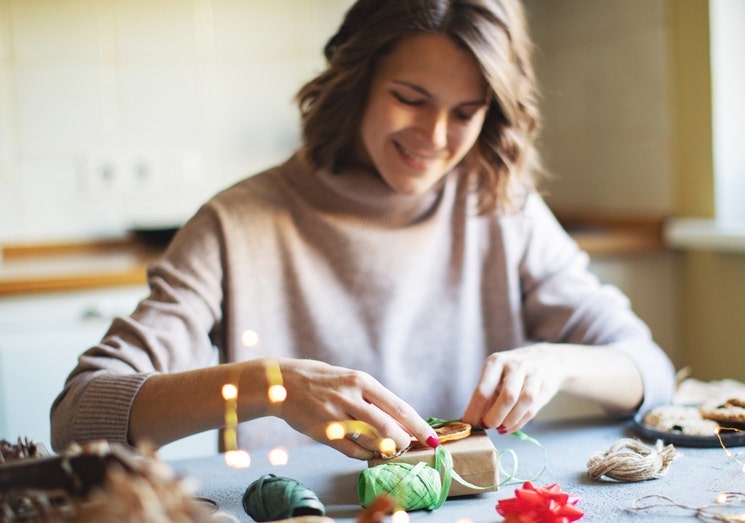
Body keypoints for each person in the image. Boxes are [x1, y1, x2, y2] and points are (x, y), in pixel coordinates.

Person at [51, 0, 675, 460]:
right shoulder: (235, 224)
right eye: (410, 97)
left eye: (465, 113)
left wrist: (557, 362)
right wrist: (272, 386)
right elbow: (77, 416)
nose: (434, 140)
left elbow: (651, 371)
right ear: (356, 85)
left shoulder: (499, 206)